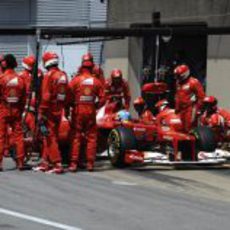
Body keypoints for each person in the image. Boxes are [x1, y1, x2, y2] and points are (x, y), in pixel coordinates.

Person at [68, 53, 105, 172]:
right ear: (92, 66)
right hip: (90, 111)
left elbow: (68, 95)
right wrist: (96, 106)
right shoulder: (97, 81)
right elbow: (103, 98)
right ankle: (90, 164)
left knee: (76, 137)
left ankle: (74, 163)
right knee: (92, 137)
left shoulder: (76, 80)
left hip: (78, 111)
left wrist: (70, 106)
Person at [34, 51, 68, 174]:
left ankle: (57, 163)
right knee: (48, 137)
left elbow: (46, 96)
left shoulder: (49, 75)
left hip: (49, 111)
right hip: (59, 110)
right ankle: (45, 162)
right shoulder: (63, 75)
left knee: (50, 137)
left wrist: (41, 111)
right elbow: (66, 95)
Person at [0, 54, 28, 171]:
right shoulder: (20, 79)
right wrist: (20, 110)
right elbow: (23, 98)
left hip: (4, 110)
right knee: (19, 136)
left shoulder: (1, 79)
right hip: (17, 110)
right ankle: (21, 162)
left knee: (1, 136)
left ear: (4, 64)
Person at [174, 64, 205, 132]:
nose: (177, 77)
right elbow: (177, 96)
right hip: (180, 110)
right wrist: (177, 109)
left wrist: (198, 109)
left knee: (189, 128)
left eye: (179, 75)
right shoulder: (178, 83)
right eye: (176, 75)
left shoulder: (193, 82)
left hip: (190, 109)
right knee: (180, 128)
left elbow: (201, 97)